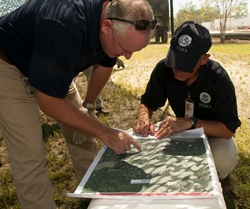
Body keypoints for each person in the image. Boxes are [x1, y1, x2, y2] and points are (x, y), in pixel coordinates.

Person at [0, 0, 157, 208]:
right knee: (30, 155)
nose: (126, 56)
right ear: (106, 26)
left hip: (54, 64)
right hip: (9, 65)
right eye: (124, 48)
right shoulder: (64, 22)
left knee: (83, 135)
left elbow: (105, 63)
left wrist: (89, 106)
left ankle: (94, 196)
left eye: (133, 51)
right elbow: (48, 102)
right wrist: (105, 131)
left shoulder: (113, 22)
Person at [133, 21, 241, 197]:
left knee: (224, 157)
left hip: (212, 133)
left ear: (204, 59)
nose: (177, 68)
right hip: (181, 130)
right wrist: (143, 116)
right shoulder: (164, 69)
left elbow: (228, 129)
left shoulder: (218, 78)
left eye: (186, 64)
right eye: (175, 60)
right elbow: (148, 101)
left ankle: (221, 178)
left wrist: (192, 122)